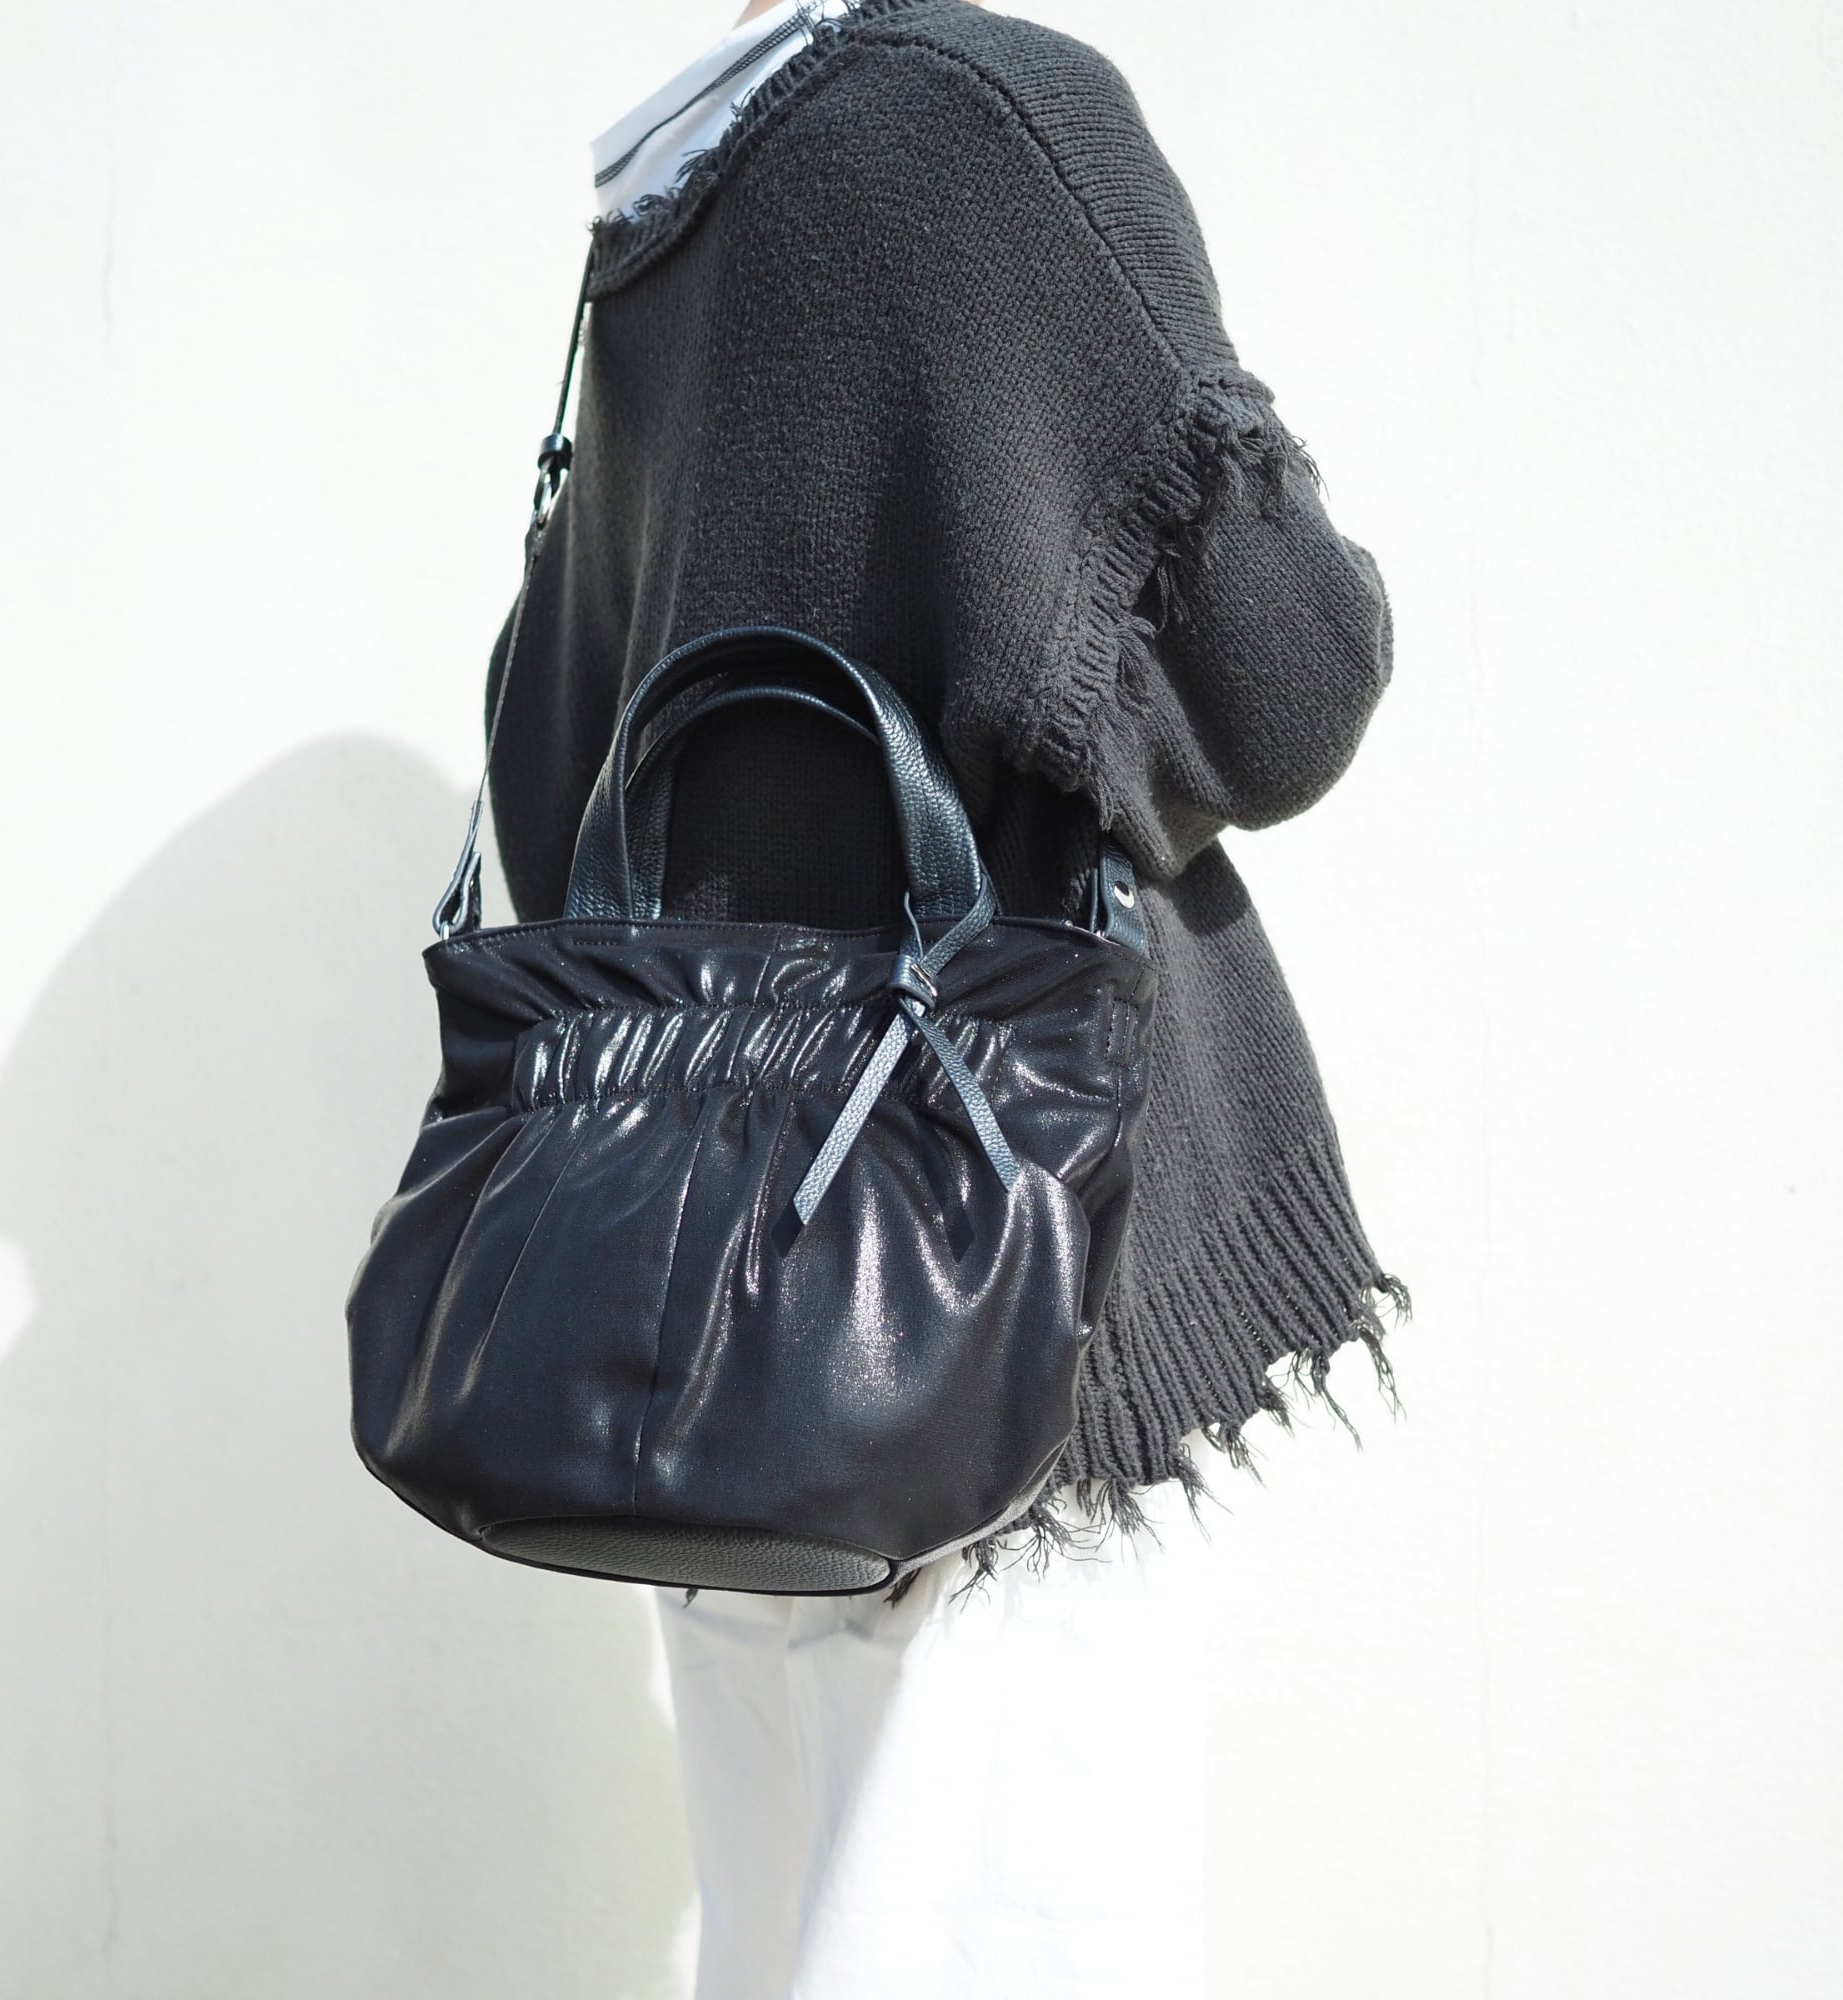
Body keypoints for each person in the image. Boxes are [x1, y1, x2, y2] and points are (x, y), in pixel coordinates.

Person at [486, 2, 1412, 1992]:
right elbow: (1283, 676)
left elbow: (547, 771)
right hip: (996, 1293)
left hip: (701, 1314)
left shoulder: (657, 204)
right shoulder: (991, 122)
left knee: (790, 1936)